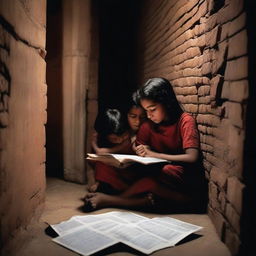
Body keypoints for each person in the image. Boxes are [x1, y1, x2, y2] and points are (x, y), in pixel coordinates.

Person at [85, 78, 206, 213]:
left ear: (166, 102)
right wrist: (139, 152)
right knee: (106, 166)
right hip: (152, 172)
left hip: (175, 176)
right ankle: (134, 198)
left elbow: (192, 157)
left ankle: (112, 199)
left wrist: (154, 154)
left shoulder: (185, 121)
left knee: (165, 172)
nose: (148, 116)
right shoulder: (148, 125)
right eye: (146, 111)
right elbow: (139, 148)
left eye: (152, 109)